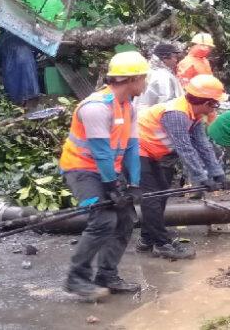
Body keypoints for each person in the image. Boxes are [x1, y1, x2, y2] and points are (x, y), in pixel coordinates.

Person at [59, 51, 148, 300]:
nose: (145, 83)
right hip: (82, 170)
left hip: (109, 171)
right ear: (134, 78)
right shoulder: (96, 107)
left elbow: (131, 147)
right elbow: (99, 152)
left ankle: (107, 275)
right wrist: (111, 187)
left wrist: (133, 185)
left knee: (126, 217)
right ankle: (76, 278)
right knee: (103, 220)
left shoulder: (128, 106)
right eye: (144, 78)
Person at [136, 74, 230, 259]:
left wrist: (218, 174)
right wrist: (202, 178)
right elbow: (185, 148)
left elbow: (202, 145)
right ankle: (161, 244)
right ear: (207, 103)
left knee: (161, 193)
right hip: (136, 149)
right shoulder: (177, 114)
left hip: (153, 153)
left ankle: (147, 239)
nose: (215, 109)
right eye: (215, 104)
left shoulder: (193, 114)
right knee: (153, 197)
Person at [135, 43, 184, 111]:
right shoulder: (164, 77)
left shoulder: (147, 71)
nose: (176, 60)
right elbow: (167, 102)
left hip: (140, 115)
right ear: (164, 58)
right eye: (174, 57)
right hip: (155, 117)